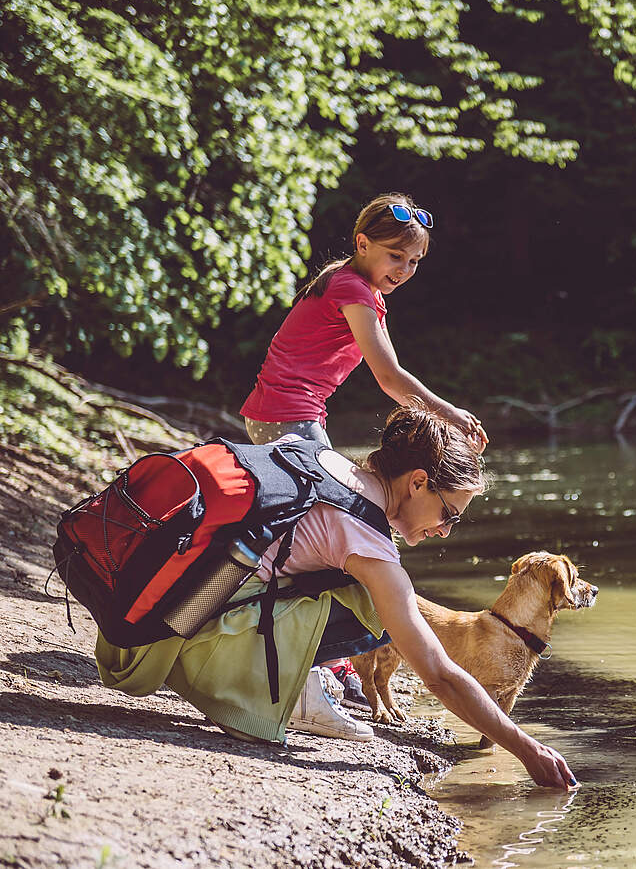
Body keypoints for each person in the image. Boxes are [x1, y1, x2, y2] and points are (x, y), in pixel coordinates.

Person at [95, 406, 577, 790]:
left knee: (377, 594)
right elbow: (439, 674)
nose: (445, 530)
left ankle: (289, 678)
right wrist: (524, 748)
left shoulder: (319, 459)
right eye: (448, 513)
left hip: (135, 628)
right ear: (417, 483)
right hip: (161, 647)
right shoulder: (364, 536)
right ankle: (278, 693)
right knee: (389, 610)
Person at [239, 191, 489, 452]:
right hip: (286, 415)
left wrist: (446, 419)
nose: (404, 269)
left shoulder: (368, 293)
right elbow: (388, 377)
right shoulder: (352, 289)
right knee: (334, 493)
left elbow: (393, 373)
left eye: (414, 261)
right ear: (363, 244)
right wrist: (449, 414)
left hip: (282, 413)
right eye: (395, 256)